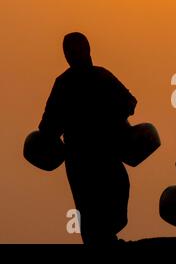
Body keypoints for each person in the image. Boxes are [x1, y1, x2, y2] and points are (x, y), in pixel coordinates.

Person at [38, 32, 137, 244]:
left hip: (96, 155)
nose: (74, 55)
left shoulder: (97, 77)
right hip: (89, 156)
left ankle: (106, 239)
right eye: (71, 51)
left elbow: (130, 103)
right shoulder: (67, 83)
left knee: (104, 200)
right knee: (95, 204)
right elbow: (48, 126)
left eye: (76, 50)